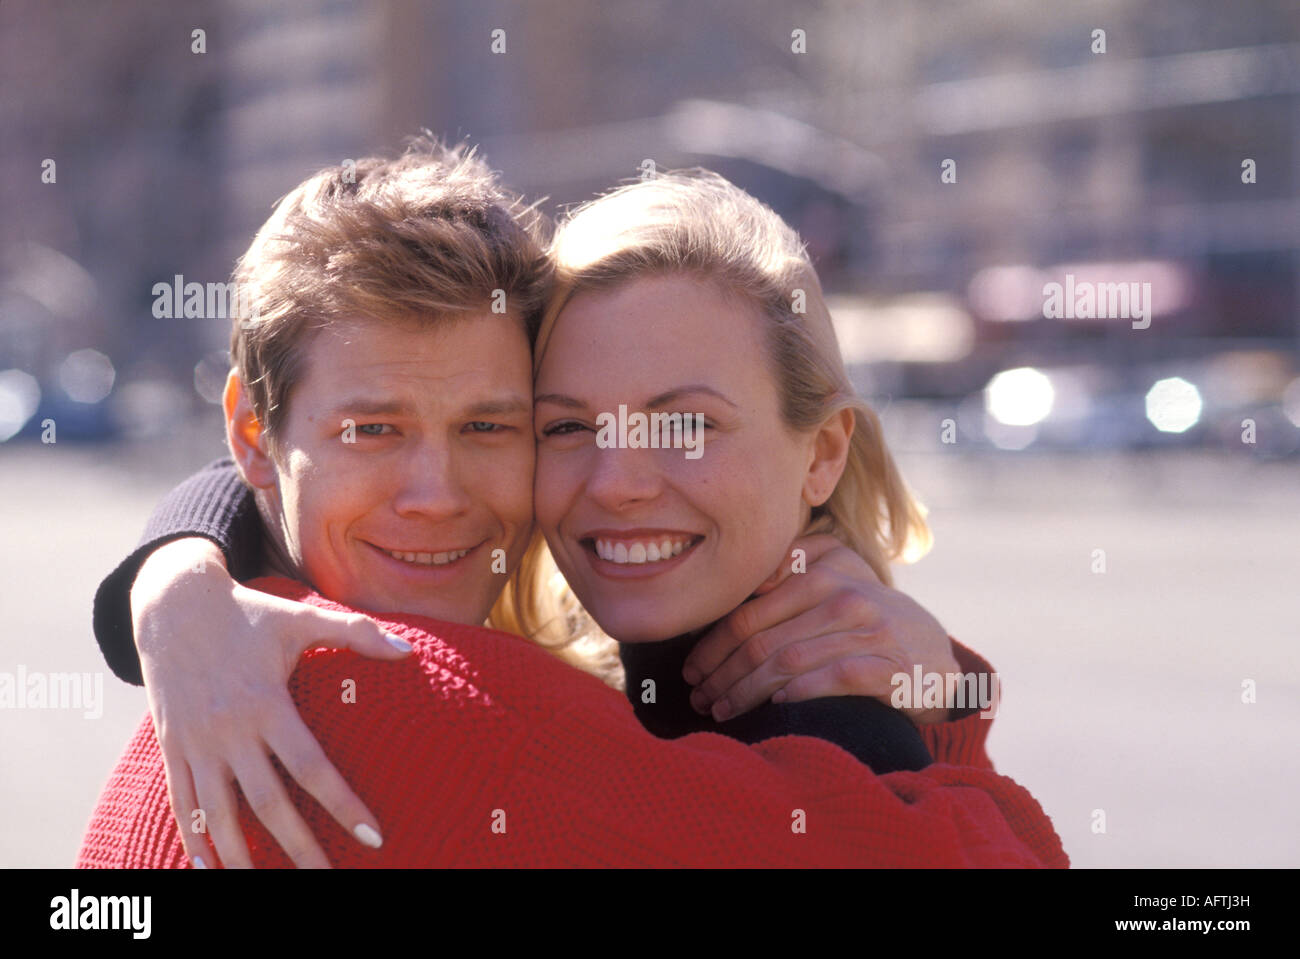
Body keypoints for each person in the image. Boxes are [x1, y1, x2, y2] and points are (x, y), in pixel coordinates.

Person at [81, 139, 1054, 867]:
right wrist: (950, 714)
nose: (436, 495)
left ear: (824, 449)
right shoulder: (452, 712)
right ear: (253, 437)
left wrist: (183, 563)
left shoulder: (249, 648)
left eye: (494, 427)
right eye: (567, 424)